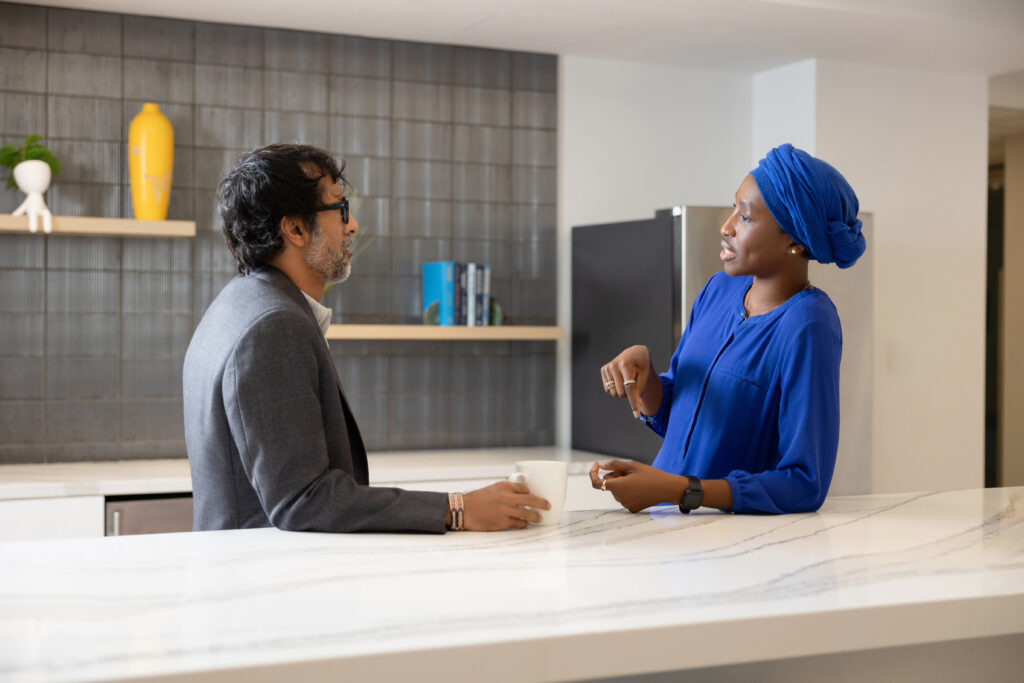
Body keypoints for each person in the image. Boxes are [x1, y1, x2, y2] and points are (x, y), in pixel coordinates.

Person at [183, 143, 548, 533]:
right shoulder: (274, 326)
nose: (352, 225)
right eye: (340, 210)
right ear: (295, 228)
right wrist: (459, 509)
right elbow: (304, 501)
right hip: (270, 581)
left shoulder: (239, 303)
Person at [591, 143, 865, 515]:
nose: (727, 226)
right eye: (734, 207)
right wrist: (647, 374)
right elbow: (677, 415)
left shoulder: (808, 325)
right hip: (664, 530)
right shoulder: (718, 290)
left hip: (728, 546)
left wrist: (678, 490)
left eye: (747, 217)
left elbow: (805, 483)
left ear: (795, 241)